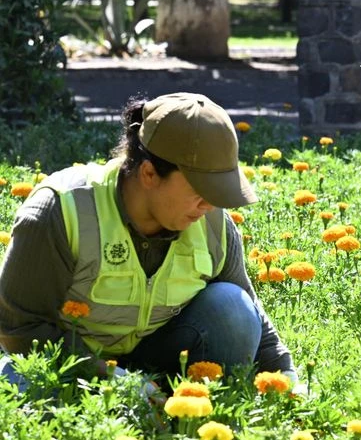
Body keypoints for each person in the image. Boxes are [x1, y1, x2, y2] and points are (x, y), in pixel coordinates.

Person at [0, 93, 296, 392]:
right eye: (201, 189)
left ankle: (186, 407)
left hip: (158, 358)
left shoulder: (213, 222)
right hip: (71, 364)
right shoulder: (61, 210)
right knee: (26, 389)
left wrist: (287, 378)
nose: (210, 204)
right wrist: (114, 379)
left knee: (232, 305)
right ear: (149, 173)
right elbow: (19, 329)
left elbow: (248, 313)